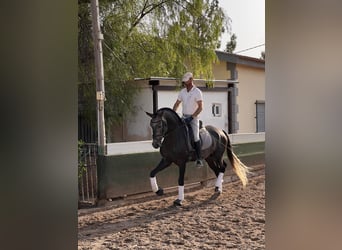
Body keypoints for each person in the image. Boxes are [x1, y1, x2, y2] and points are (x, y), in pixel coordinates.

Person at [173, 72, 204, 167]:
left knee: (195, 136)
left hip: (193, 118)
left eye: (186, 81)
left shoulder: (197, 92)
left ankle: (199, 159)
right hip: (184, 116)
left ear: (191, 80)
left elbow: (200, 108)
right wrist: (173, 113)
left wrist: (192, 117)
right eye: (184, 82)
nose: (185, 83)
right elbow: (177, 103)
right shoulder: (182, 92)